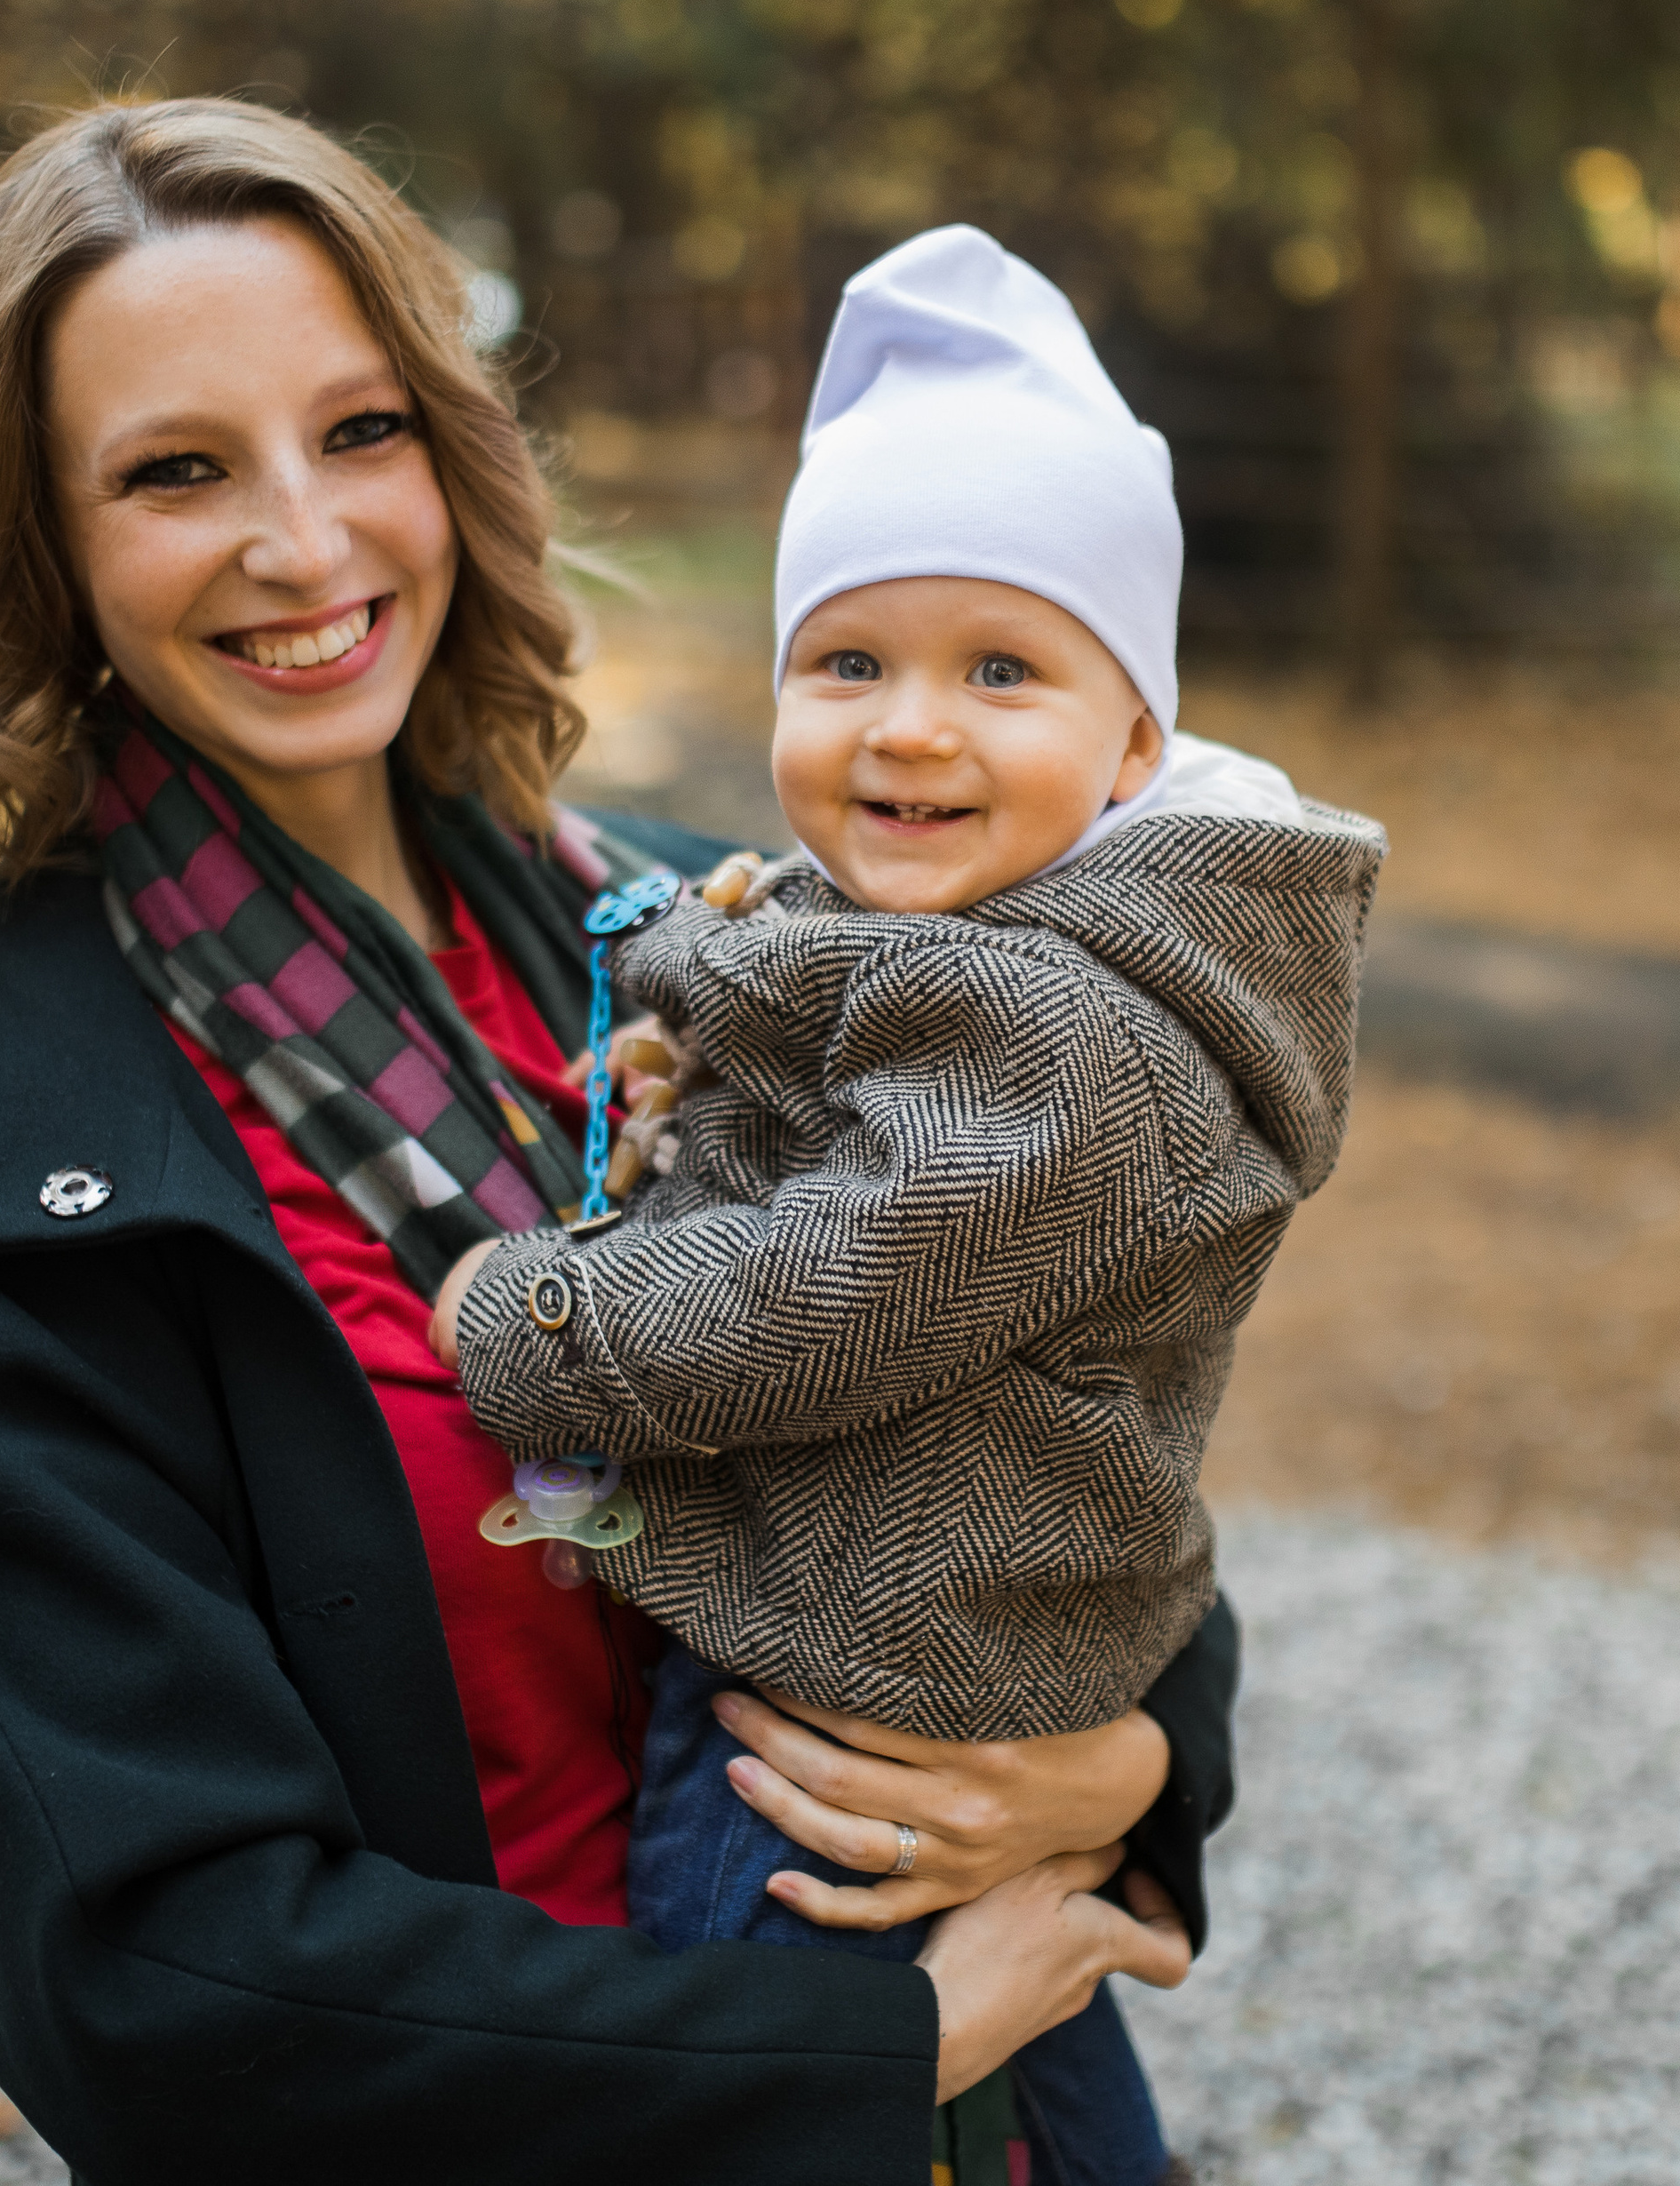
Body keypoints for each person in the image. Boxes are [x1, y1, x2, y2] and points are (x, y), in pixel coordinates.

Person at [0, 104, 1233, 2182]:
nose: (303, 542)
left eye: (356, 429)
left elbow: (1086, 1427)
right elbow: (165, 1983)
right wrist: (852, 2036)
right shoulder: (0, 1149)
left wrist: (1127, 1760)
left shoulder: (708, 939)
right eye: (176, 469)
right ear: (45, 544)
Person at [434, 227, 1384, 2184]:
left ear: (1131, 747)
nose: (908, 726)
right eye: (845, 659)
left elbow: (832, 1286)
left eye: (1000, 669)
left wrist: (533, 1319)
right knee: (1034, 2072)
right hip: (945, 1657)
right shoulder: (956, 944)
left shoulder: (1060, 1028)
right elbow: (828, 1083)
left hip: (854, 1704)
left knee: (778, 2052)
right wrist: (702, 1080)